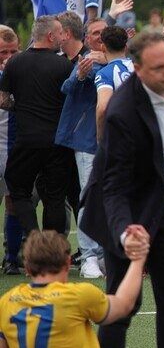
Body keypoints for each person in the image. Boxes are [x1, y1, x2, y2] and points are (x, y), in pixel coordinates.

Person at [79, 32, 164, 348]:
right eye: (160, 68)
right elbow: (113, 185)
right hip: (125, 210)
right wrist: (124, 233)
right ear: (138, 70)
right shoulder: (122, 111)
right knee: (121, 305)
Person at [0, 229, 148, 348]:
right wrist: (138, 260)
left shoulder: (6, 303)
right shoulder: (78, 295)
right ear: (67, 263)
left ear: (27, 268)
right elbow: (124, 304)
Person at [0, 16, 73, 234]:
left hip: (27, 140)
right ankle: (51, 250)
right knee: (55, 197)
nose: (63, 37)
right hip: (57, 142)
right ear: (51, 36)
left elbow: (3, 100)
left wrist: (20, 106)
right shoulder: (64, 65)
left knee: (18, 189)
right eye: (60, 33)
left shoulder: (15, 62)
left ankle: (33, 237)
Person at [55, 18, 108, 278]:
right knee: (90, 196)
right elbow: (66, 88)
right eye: (94, 33)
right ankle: (89, 256)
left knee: (115, 198)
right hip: (89, 140)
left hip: (120, 141)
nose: (98, 37)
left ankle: (107, 253)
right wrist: (81, 73)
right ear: (86, 38)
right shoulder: (85, 59)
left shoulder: (123, 61)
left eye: (103, 33)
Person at [0, 26, 20, 276]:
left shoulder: (23, 70)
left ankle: (11, 257)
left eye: (13, 51)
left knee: (14, 202)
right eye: (3, 52)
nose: (8, 56)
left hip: (15, 148)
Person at [94, 26, 134, 141]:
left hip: (120, 137)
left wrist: (100, 136)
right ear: (126, 47)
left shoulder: (105, 73)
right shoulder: (141, 68)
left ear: (103, 47)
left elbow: (103, 107)